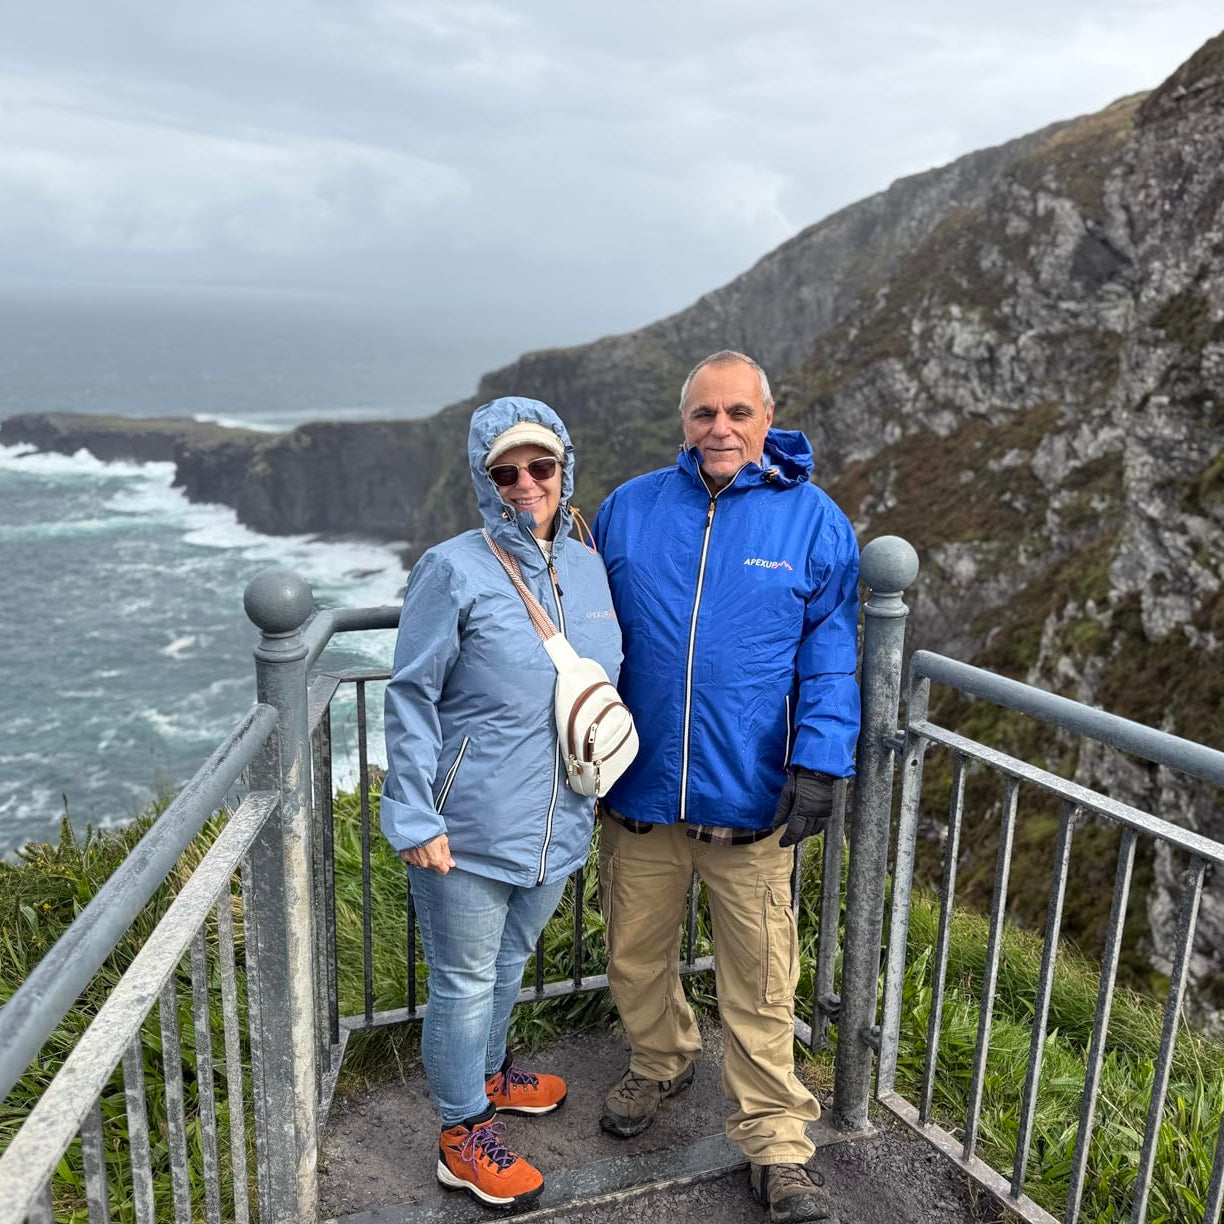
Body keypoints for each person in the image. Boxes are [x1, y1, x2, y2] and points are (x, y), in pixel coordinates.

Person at [591, 351, 859, 1224]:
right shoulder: (629, 511)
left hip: (753, 804)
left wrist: (821, 761)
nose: (721, 429)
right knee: (634, 956)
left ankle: (778, 1145)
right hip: (639, 796)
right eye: (705, 413)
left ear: (768, 415)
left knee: (762, 980)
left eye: (737, 413)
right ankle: (661, 1060)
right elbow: (588, 642)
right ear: (684, 422)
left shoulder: (814, 523)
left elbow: (830, 658)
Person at [381, 396, 623, 1210]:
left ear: (564, 472)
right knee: (461, 979)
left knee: (509, 963)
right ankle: (461, 1134)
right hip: (469, 827)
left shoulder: (588, 564)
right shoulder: (453, 567)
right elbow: (411, 694)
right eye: (506, 471)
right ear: (486, 480)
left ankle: (489, 1075)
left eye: (540, 466)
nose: (526, 482)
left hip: (560, 819)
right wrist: (414, 815)